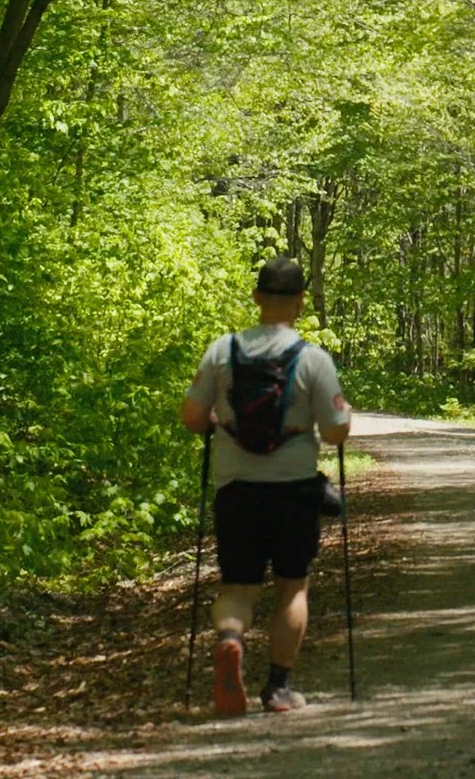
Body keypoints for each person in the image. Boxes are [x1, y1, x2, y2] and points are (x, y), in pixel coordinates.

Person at [181, 255, 353, 715]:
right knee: (292, 586)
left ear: (257, 297)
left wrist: (219, 419)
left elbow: (192, 418)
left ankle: (230, 639)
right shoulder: (313, 359)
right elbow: (334, 431)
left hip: (236, 488)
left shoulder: (222, 351)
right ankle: (277, 688)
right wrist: (342, 417)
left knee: (238, 586)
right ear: (300, 302)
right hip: (294, 490)